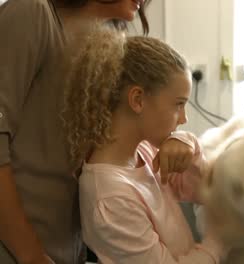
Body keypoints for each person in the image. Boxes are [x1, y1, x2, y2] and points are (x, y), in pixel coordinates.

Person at [0, 0, 150, 263]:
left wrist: (179, 141)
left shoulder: (115, 32)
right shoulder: (32, 12)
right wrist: (30, 253)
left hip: (67, 248)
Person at [62, 28, 225, 263]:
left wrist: (190, 145)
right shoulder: (110, 197)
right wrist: (221, 241)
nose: (184, 118)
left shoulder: (146, 152)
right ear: (138, 100)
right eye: (178, 105)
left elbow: (206, 191)